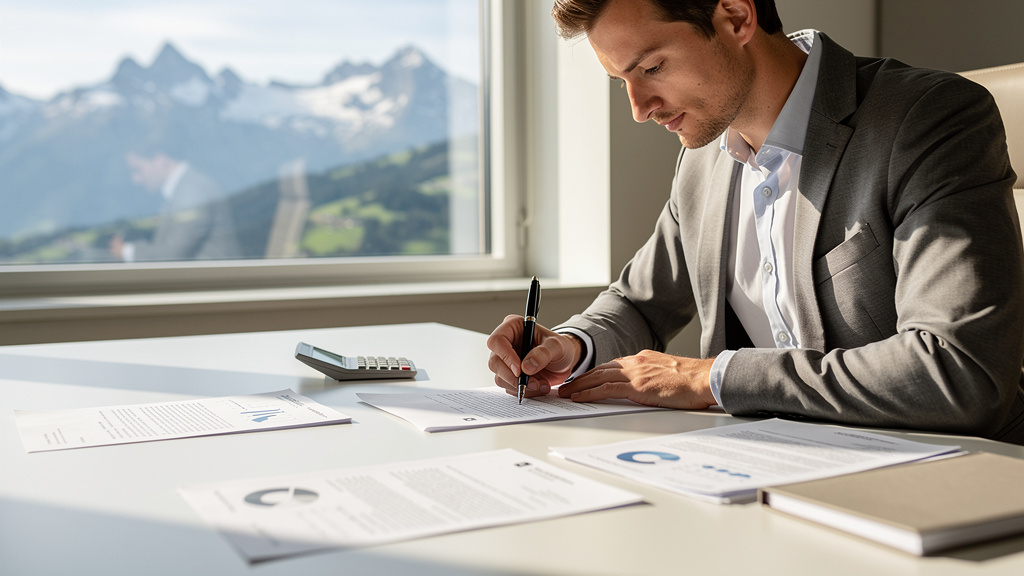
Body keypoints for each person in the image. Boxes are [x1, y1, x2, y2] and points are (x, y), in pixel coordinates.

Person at [487, 0, 1024, 444]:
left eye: (652, 68)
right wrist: (571, 345)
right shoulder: (704, 158)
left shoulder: (928, 119)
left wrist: (715, 377)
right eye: (621, 80)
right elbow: (639, 303)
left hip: (942, 471)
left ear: (737, 17)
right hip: (769, 465)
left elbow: (958, 372)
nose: (639, 108)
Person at [112, 151, 241, 261]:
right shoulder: (182, 190)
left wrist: (126, 251)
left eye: (138, 170)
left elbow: (173, 254)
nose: (135, 179)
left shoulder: (192, 191)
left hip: (212, 284)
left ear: (161, 160)